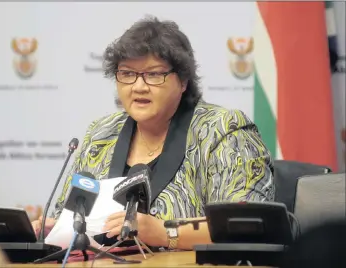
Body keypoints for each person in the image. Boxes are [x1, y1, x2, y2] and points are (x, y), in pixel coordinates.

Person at [32, 15, 274, 250]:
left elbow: (244, 223)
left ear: (183, 81)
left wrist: (166, 234)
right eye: (127, 74)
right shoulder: (101, 135)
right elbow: (69, 216)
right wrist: (54, 227)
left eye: (154, 74)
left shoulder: (223, 130)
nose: (138, 86)